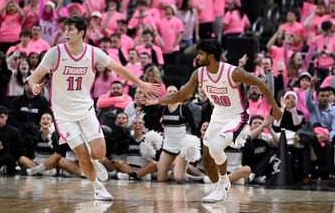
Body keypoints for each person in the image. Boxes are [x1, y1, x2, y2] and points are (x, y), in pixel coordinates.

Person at [28, 16, 160, 201]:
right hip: (63, 114)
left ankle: (94, 159)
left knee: (100, 152)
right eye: (64, 29)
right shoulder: (55, 52)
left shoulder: (93, 53)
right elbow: (33, 77)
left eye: (70, 30)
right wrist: (35, 85)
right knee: (80, 154)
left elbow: (118, 68)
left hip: (85, 109)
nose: (65, 33)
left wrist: (140, 83)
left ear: (81, 33)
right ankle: (98, 188)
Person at [142, 39, 282, 202]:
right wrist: (158, 100)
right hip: (218, 115)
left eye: (200, 53)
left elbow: (259, 82)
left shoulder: (233, 72)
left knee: (216, 148)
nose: (197, 56)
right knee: (207, 159)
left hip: (237, 116)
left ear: (211, 56)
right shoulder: (199, 73)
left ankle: (223, 183)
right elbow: (182, 95)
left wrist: (275, 107)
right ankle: (218, 189)